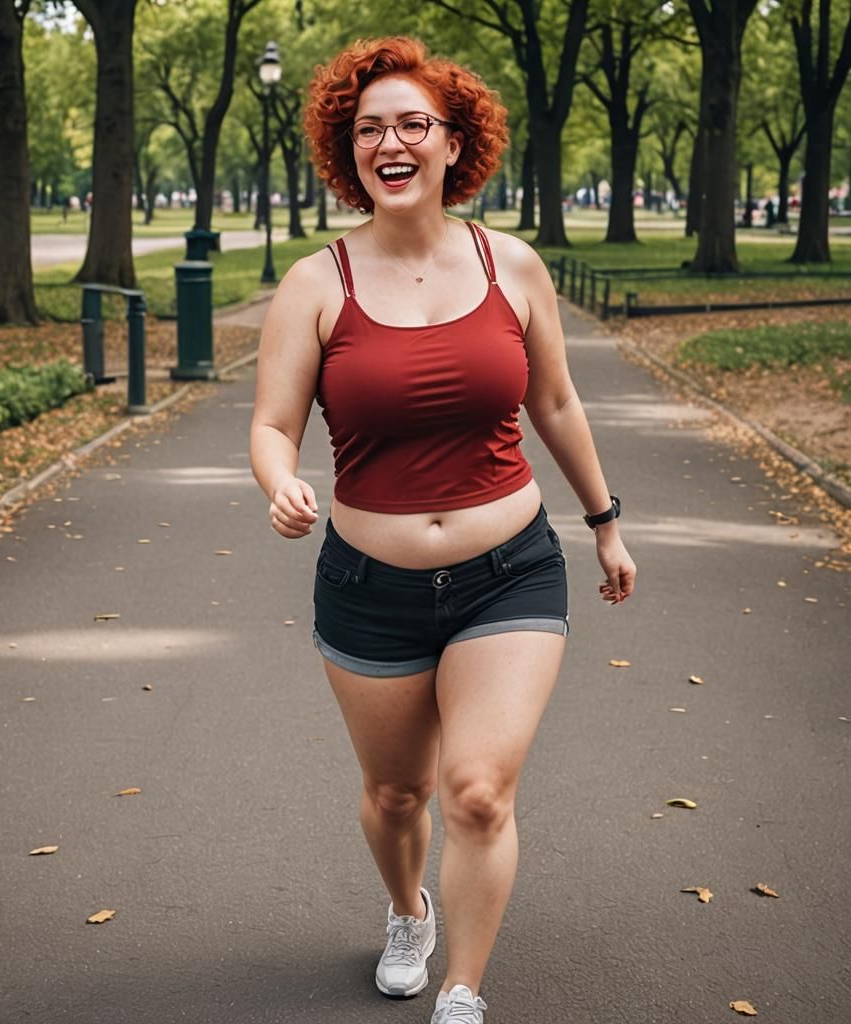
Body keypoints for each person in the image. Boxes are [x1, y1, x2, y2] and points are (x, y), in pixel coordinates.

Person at [249, 37, 636, 1024]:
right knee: (395, 797)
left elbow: (554, 400)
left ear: (452, 142)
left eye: (411, 123)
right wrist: (278, 480)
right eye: (368, 127)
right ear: (350, 153)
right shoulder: (315, 285)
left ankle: (461, 988)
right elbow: (271, 423)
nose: (391, 141)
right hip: (367, 586)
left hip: (507, 571)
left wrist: (604, 522)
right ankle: (406, 909)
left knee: (472, 792)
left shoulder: (511, 265)